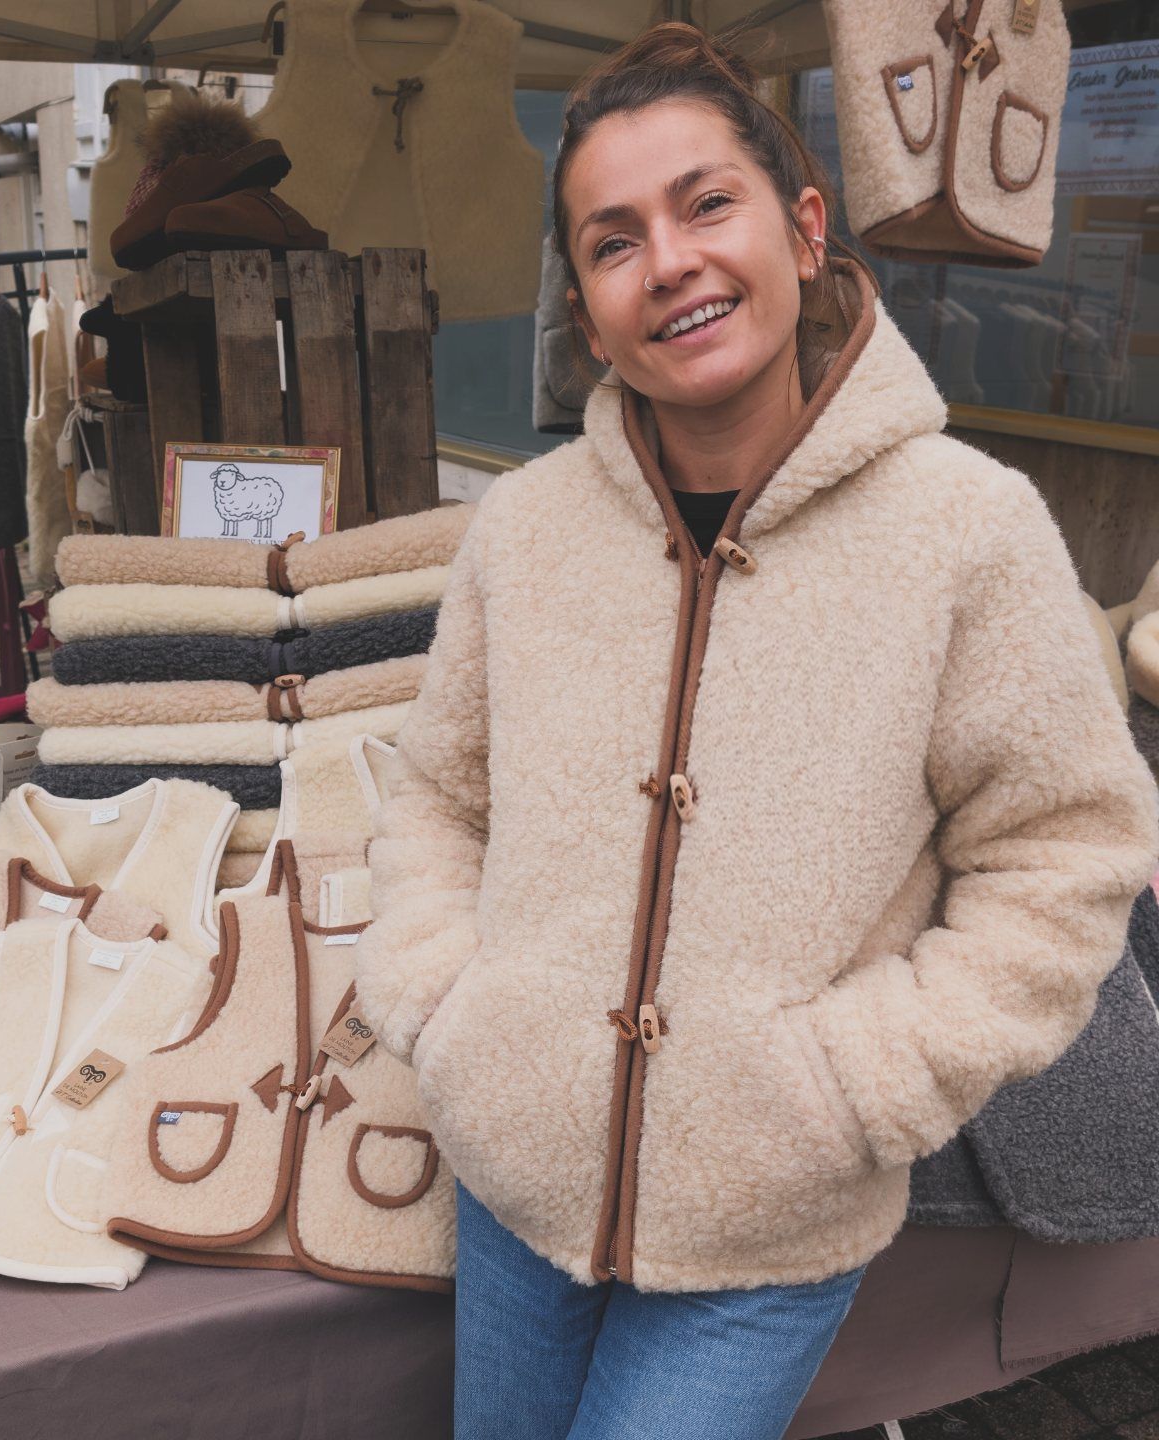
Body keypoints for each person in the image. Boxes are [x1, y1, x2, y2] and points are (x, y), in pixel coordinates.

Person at [352, 21, 1159, 1440]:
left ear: (801, 225)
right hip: (513, 1167)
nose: (668, 263)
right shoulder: (526, 533)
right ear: (588, 309)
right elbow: (438, 795)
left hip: (773, 1215)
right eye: (612, 242)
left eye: (704, 204)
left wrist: (856, 1084)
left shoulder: (966, 534)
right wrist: (445, 1005)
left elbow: (1068, 857)